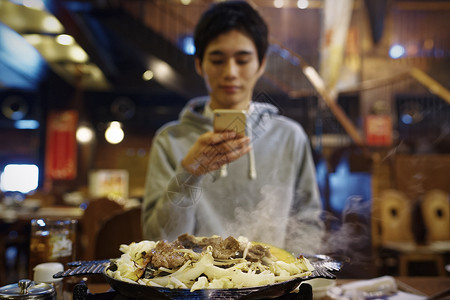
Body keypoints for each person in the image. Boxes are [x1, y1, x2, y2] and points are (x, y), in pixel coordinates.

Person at [142, 0, 324, 254]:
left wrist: (293, 279)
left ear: (261, 64)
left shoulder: (289, 136)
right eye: (217, 60)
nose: (230, 72)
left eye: (242, 59)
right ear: (199, 64)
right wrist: (189, 172)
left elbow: (307, 223)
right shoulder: (170, 139)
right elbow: (158, 239)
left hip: (272, 287)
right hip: (195, 288)